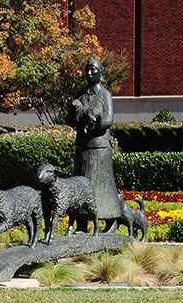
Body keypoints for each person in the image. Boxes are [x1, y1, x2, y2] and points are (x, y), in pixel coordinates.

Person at [66, 58, 121, 233]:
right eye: (87, 70)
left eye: (93, 70)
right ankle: (82, 222)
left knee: (103, 186)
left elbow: (108, 120)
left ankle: (111, 221)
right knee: (81, 185)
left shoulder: (105, 95)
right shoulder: (80, 94)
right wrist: (75, 118)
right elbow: (69, 119)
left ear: (100, 71)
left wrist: (90, 127)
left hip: (99, 147)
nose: (89, 73)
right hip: (83, 148)